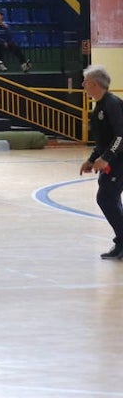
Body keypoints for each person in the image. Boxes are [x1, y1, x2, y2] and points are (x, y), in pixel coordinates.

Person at [80, 66, 123, 259]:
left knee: (106, 197)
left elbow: (120, 136)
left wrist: (106, 158)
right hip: (115, 159)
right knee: (109, 198)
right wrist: (91, 159)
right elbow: (103, 140)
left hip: (119, 159)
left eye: (85, 82)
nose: (83, 85)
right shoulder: (99, 106)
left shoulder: (111, 104)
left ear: (96, 84)